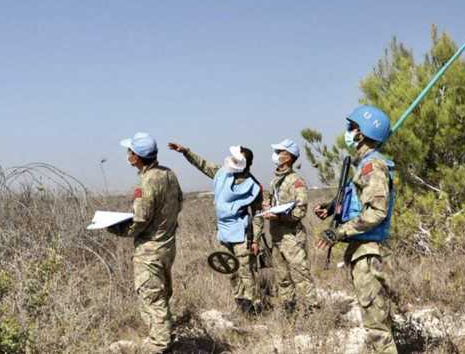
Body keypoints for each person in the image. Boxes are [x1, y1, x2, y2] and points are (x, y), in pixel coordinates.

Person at [315, 105, 397, 354]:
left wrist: (338, 232)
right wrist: (332, 208)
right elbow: (359, 201)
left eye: (352, 127)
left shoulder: (374, 167)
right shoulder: (364, 166)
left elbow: (376, 212)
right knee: (376, 320)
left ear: (362, 133)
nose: (347, 132)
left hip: (369, 252)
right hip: (362, 249)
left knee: (377, 327)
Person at [108, 132, 183, 354]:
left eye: (129, 151)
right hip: (167, 245)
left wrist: (116, 228)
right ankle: (166, 335)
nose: (127, 155)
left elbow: (140, 220)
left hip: (150, 249)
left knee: (151, 297)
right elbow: (178, 203)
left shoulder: (147, 181)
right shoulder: (168, 174)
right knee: (162, 293)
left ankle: (160, 345)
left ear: (137, 156)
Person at [168, 142, 264, 315]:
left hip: (242, 234)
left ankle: (252, 308)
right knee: (230, 270)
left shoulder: (253, 186)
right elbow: (203, 165)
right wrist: (186, 152)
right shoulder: (222, 173)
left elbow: (258, 214)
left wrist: (255, 240)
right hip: (223, 232)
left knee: (245, 271)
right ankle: (240, 303)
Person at [262, 138, 320, 313]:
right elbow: (268, 200)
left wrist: (281, 216)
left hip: (291, 236)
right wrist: (266, 207)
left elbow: (300, 210)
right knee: (282, 277)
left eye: (280, 152)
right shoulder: (274, 182)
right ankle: (289, 310)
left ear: (288, 157)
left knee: (300, 275)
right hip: (276, 237)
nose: (277, 155)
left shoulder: (296, 181)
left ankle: (313, 311)